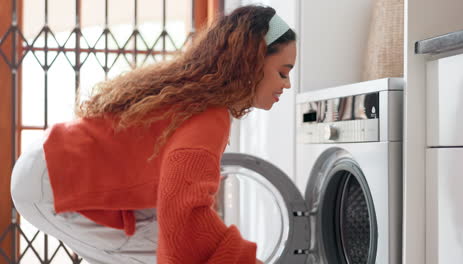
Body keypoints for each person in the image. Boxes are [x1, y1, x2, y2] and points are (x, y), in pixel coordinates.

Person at [10, 4, 296, 264]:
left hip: (48, 164)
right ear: (253, 62)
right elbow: (184, 213)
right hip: (52, 181)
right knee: (166, 252)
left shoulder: (192, 96)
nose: (287, 84)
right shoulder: (210, 115)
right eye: (283, 73)